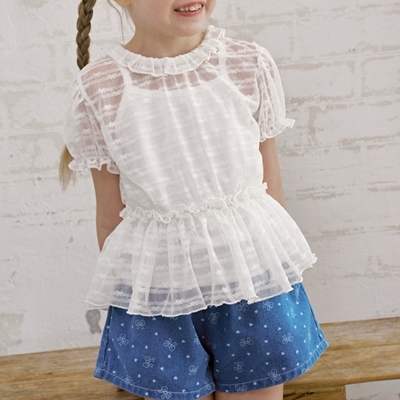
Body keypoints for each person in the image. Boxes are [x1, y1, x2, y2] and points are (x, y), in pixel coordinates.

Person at [60, 0, 328, 399]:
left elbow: (270, 187)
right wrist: (130, 313)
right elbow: (110, 218)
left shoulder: (247, 63)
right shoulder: (99, 87)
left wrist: (278, 274)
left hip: (252, 283)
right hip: (159, 300)